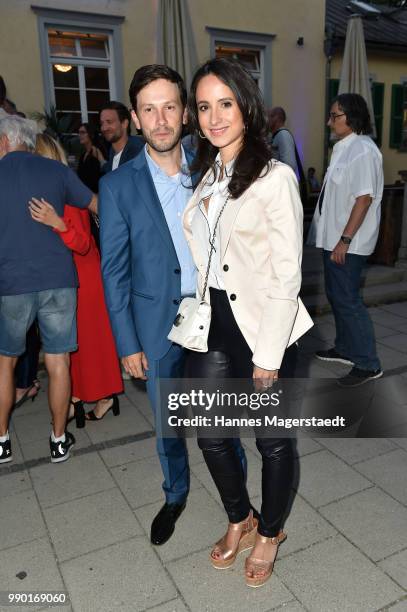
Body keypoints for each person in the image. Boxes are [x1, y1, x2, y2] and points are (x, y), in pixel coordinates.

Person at [99, 64, 247, 546]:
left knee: (219, 420)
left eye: (169, 107)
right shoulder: (118, 186)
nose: (160, 120)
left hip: (215, 316)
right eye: (148, 109)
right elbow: (114, 272)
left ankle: (239, 505)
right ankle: (175, 494)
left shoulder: (214, 167)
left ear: (185, 113)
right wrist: (127, 343)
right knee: (168, 424)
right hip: (156, 324)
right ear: (135, 120)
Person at [183, 58, 313, 588]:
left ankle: (271, 532)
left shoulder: (274, 176)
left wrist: (268, 354)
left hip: (267, 331)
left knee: (272, 441)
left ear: (246, 106)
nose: (214, 117)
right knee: (211, 436)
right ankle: (241, 517)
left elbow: (288, 274)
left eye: (225, 104)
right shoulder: (208, 172)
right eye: (204, 106)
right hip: (214, 323)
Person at [0, 115, 96, 464]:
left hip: (10, 283)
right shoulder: (57, 172)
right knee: (58, 363)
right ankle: (58, 441)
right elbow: (97, 204)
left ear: (5, 141)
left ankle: (1, 442)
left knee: (5, 364)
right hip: (58, 280)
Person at [30, 133, 123, 427]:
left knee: (89, 343)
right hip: (64, 277)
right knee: (75, 345)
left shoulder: (68, 193)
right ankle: (78, 396)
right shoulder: (47, 193)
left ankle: (102, 395)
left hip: (84, 277)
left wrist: (56, 223)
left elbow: (82, 242)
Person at [311, 93, 383, 387]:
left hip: (347, 244)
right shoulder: (343, 148)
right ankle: (345, 348)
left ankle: (368, 363)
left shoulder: (364, 151)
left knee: (349, 301)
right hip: (334, 240)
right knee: (337, 296)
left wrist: (345, 240)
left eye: (334, 116)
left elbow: (364, 200)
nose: (329, 122)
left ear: (351, 117)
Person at [100, 101, 144, 172]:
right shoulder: (112, 151)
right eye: (102, 123)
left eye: (109, 122)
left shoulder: (137, 151)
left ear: (124, 124)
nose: (104, 128)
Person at [77, 123, 106, 193]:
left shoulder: (96, 151)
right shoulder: (83, 155)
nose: (80, 135)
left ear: (91, 134)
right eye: (79, 132)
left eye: (83, 132)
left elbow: (98, 176)